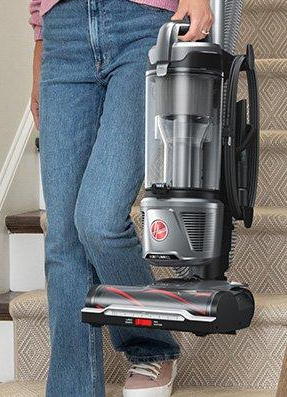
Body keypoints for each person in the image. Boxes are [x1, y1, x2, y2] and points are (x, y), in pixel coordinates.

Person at [29, 0, 213, 396]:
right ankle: (72, 389)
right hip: (63, 34)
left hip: (142, 26)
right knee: (63, 237)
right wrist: (41, 43)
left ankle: (151, 345)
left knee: (98, 220)